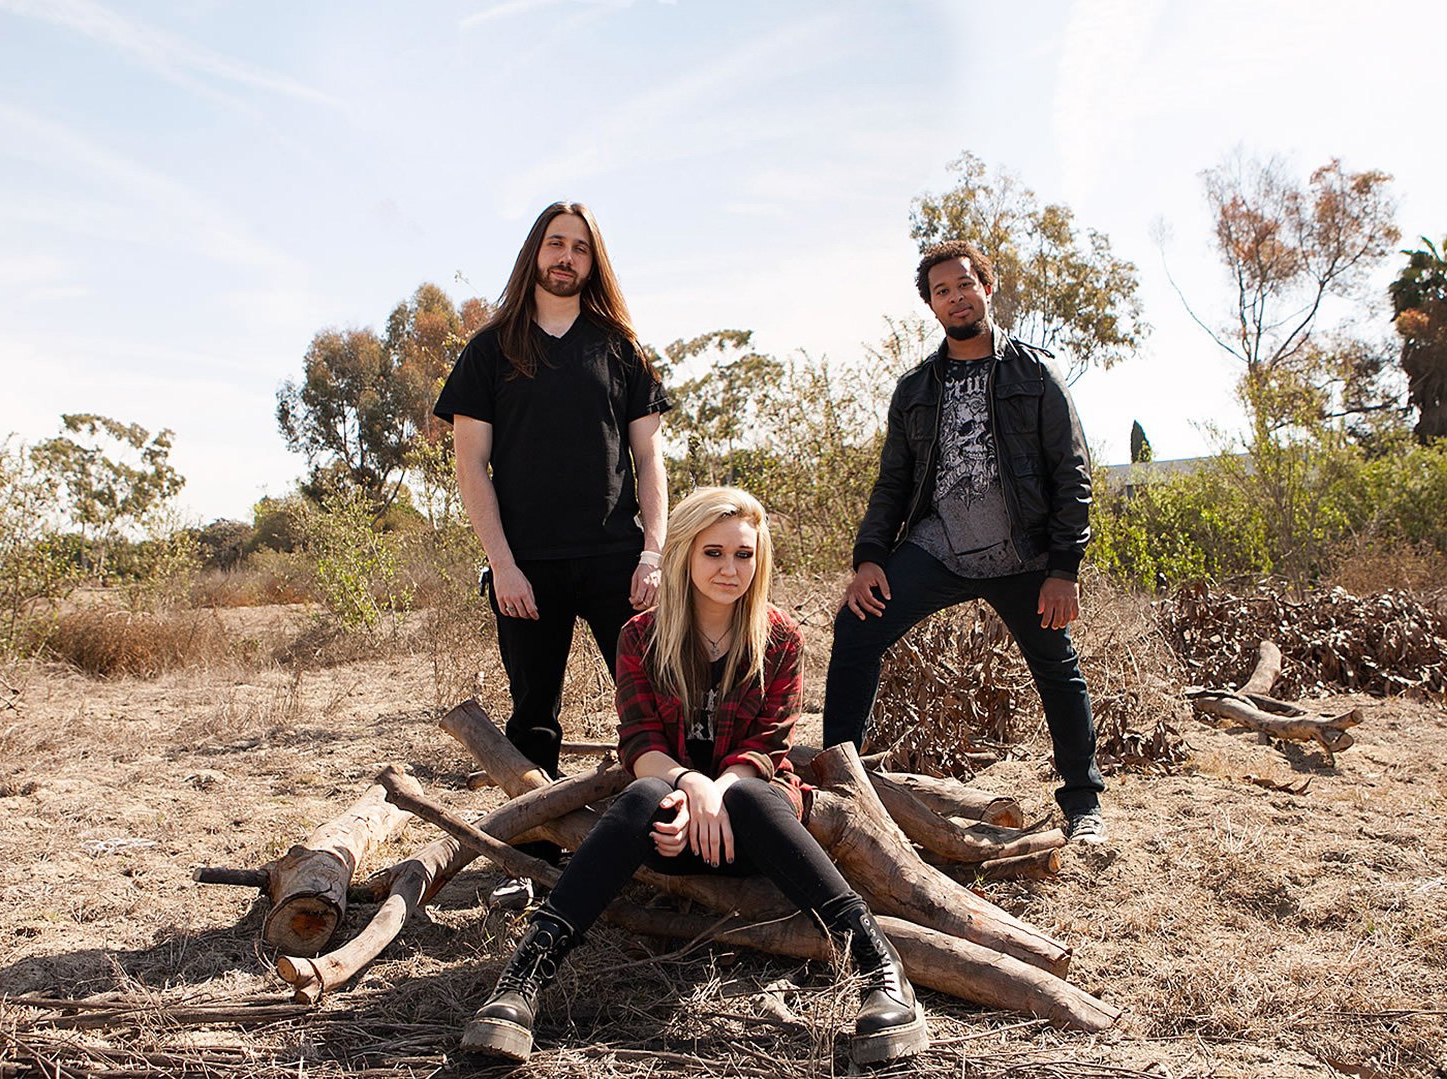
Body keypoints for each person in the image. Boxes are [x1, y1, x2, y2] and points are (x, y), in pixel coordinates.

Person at [461, 487, 928, 1065]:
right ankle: (523, 979)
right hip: (669, 830)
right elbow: (640, 744)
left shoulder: (780, 638)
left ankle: (880, 967)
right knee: (643, 795)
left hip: (755, 833)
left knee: (752, 796)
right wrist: (693, 787)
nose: (730, 569)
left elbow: (767, 747)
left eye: (744, 554)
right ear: (683, 554)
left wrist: (718, 792)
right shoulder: (641, 636)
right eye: (714, 553)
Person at [823, 240, 1108, 845]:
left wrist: (1064, 567)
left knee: (1057, 668)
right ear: (931, 305)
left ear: (986, 287)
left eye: (964, 285)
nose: (956, 298)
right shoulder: (915, 389)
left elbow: (1072, 473)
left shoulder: (1034, 373)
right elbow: (893, 484)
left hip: (1024, 555)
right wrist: (869, 558)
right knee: (855, 628)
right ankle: (837, 788)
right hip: (940, 549)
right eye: (942, 291)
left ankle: (1083, 804)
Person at [434, 201, 671, 900]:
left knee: (655, 703)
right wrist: (502, 563)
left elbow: (649, 459)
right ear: (535, 253)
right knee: (533, 716)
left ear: (593, 262)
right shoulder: (490, 349)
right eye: (555, 243)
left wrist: (653, 552)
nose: (566, 257)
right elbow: (471, 465)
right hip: (527, 566)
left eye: (580, 248)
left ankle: (667, 842)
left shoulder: (621, 347)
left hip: (616, 559)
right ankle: (537, 862)